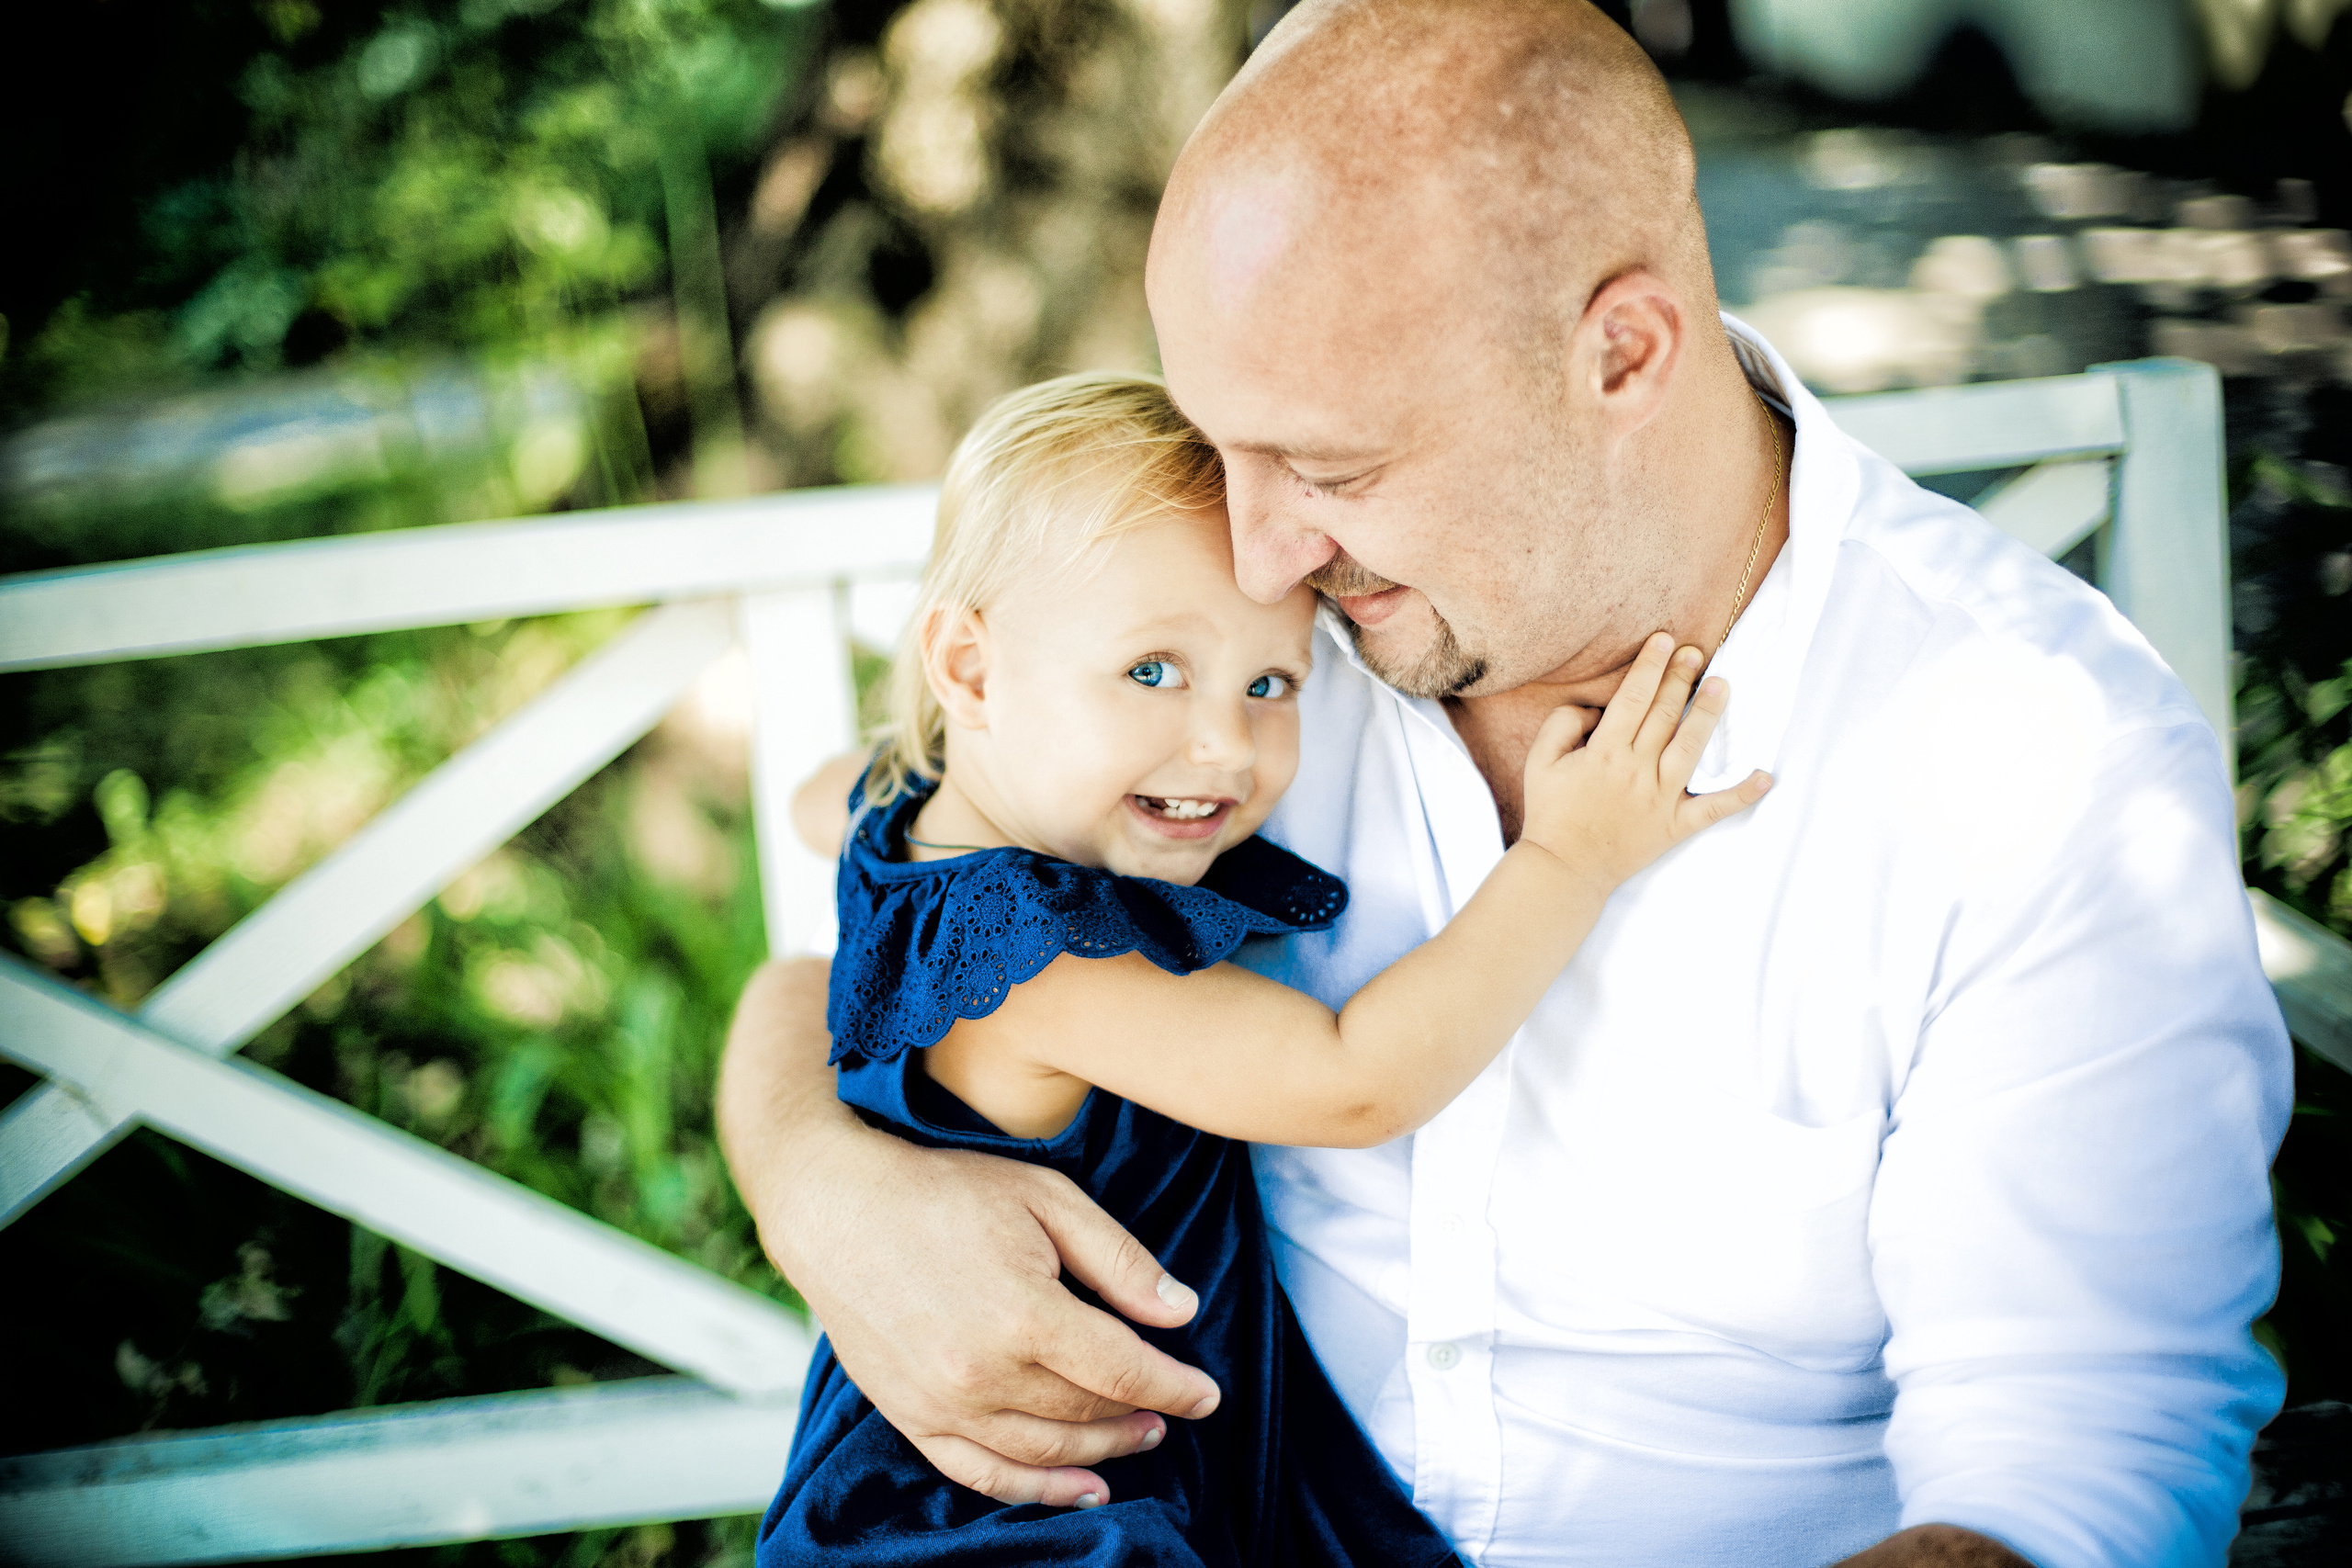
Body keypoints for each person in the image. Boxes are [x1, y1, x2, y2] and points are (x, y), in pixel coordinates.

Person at [717, 4, 2293, 1564]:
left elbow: (2074, 1482)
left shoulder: (2024, 749)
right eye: (1225, 445)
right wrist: (824, 1188)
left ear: (1621, 353)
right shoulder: (1216, 663)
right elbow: (862, 911)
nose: (1264, 553)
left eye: (1333, 470)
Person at [756, 370, 1766, 1564]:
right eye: (1151, 671)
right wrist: (1566, 856)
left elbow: (824, 798)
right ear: (968, 671)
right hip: (1035, 1514)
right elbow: (1354, 1080)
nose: (1226, 744)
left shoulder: (915, 819)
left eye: (1270, 683)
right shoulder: (1038, 957)